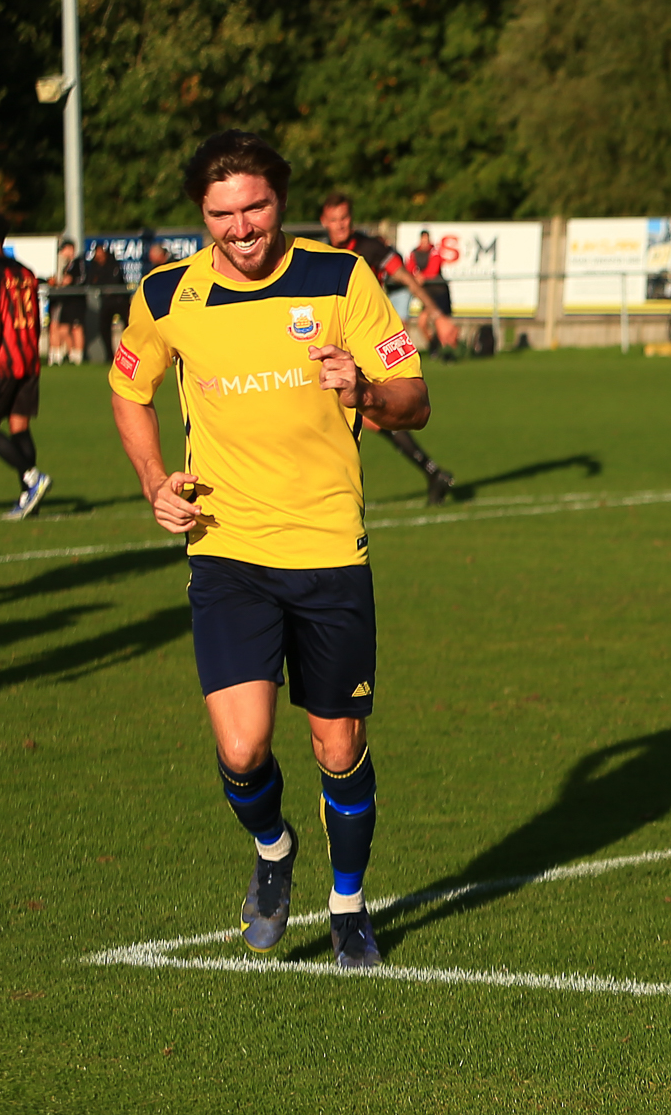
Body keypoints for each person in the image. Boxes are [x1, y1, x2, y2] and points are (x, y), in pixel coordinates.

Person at [107, 129, 434, 968]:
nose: (241, 226)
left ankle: (350, 907)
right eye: (222, 213)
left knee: (338, 747)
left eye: (254, 207)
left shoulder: (341, 278)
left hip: (328, 549)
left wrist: (365, 390)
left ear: (280, 200)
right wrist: (153, 481)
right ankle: (273, 849)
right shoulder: (167, 294)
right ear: (201, 215)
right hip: (227, 550)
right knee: (242, 748)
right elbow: (129, 389)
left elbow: (414, 398)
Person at [320, 194, 457, 505]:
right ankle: (433, 473)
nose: (340, 225)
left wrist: (437, 315)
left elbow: (407, 279)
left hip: (366, 345)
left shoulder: (372, 249)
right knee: (361, 417)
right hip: (333, 345)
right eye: (334, 219)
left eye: (345, 218)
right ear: (324, 222)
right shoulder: (320, 254)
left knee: (369, 414)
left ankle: (334, 494)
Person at [0, 213, 53, 518]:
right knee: (19, 426)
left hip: (6, 362)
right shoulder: (25, 272)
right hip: (30, 358)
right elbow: (35, 317)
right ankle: (29, 498)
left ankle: (33, 479)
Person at [47, 239, 89, 365]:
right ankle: (69, 354)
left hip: (77, 300)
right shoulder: (64, 264)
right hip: (66, 299)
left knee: (76, 328)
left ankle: (78, 356)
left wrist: (70, 280)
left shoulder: (79, 262)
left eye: (64, 249)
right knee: (63, 328)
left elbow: (81, 279)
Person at [84, 242, 127, 363]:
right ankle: (109, 356)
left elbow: (115, 280)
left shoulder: (113, 264)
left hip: (120, 300)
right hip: (106, 302)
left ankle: (129, 354)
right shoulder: (94, 266)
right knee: (104, 328)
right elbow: (92, 281)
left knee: (128, 327)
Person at [410, 231, 455, 338]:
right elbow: (410, 267)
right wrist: (415, 276)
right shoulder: (415, 252)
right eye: (423, 240)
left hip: (439, 292)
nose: (425, 242)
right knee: (422, 323)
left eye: (427, 240)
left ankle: (446, 344)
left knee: (442, 324)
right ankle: (433, 343)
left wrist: (421, 277)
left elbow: (433, 270)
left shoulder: (435, 251)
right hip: (428, 294)